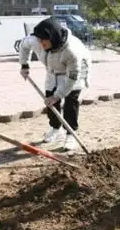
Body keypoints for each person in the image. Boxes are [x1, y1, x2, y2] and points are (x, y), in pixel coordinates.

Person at [18, 17, 91, 151]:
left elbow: (71, 78)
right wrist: (24, 64)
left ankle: (71, 134)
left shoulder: (71, 51)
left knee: (70, 103)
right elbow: (23, 46)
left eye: (43, 40)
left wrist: (58, 95)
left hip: (76, 73)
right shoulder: (38, 40)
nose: (40, 43)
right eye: (38, 40)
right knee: (50, 101)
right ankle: (55, 128)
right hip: (53, 72)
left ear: (53, 38)